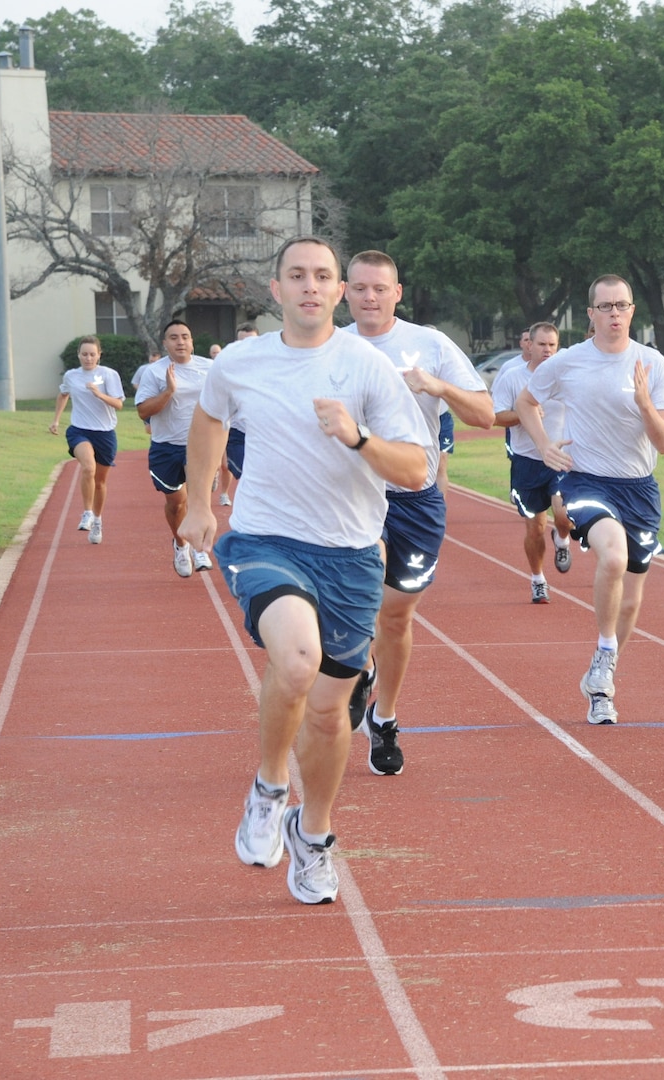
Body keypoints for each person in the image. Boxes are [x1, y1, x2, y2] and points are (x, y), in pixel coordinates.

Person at [179, 237, 430, 906]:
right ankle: (267, 788)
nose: (311, 287)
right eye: (298, 276)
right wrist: (200, 500)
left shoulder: (366, 367)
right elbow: (207, 419)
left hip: (349, 554)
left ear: (340, 291)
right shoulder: (240, 361)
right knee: (294, 662)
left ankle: (311, 833)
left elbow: (416, 469)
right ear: (277, 287)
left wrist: (357, 438)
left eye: (323, 277)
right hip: (266, 539)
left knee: (328, 716)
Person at [342, 251, 493, 776]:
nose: (369, 297)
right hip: (354, 498)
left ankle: (384, 715)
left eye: (379, 289)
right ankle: (358, 666)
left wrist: (437, 386)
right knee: (362, 601)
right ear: (345, 292)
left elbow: (485, 414)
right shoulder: (331, 348)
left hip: (416, 499)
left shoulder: (429, 343)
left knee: (397, 615)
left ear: (397, 293)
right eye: (359, 288)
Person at [516, 275, 664, 725]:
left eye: (621, 305)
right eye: (604, 306)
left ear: (631, 311)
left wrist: (646, 404)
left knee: (631, 599)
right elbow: (526, 401)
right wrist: (545, 443)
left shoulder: (653, 364)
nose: (613, 313)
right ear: (590, 314)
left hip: (640, 489)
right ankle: (606, 648)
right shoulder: (568, 362)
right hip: (587, 481)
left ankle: (602, 676)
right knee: (612, 555)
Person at [493, 322, 573, 602]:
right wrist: (523, 414)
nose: (547, 350)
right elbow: (495, 417)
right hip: (527, 461)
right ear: (530, 346)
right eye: (542, 344)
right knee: (536, 527)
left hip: (561, 457)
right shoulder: (513, 378)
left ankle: (562, 539)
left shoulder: (567, 376)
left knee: (563, 515)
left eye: (552, 345)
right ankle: (538, 578)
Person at [136, 319, 213, 577]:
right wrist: (169, 392)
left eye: (185, 336)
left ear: (192, 341)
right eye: (174, 337)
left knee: (197, 500)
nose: (180, 341)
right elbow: (143, 411)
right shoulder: (155, 372)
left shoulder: (209, 368)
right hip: (166, 447)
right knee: (176, 503)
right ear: (165, 343)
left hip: (199, 446)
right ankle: (181, 545)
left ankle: (199, 547)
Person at [49, 335, 123, 545]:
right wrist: (56, 420)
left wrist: (99, 394)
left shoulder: (109, 375)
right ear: (79, 355)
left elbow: (118, 404)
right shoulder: (72, 376)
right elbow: (63, 394)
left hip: (105, 433)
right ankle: (87, 512)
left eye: (92, 354)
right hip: (79, 430)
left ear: (99, 355)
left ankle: (98, 520)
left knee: (100, 482)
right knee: (88, 468)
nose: (88, 358)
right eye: (84, 354)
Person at [217, 323, 259, 508]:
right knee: (250, 477)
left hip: (263, 435)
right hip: (237, 435)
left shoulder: (273, 369)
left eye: (252, 341)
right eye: (243, 342)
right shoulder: (227, 371)